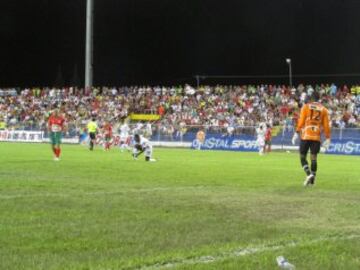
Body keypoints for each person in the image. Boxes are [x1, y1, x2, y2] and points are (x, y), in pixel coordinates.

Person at [292, 92, 331, 186]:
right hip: (316, 136)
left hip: (306, 135)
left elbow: (301, 121)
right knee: (313, 158)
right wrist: (328, 138)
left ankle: (309, 175)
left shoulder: (306, 107)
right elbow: (326, 125)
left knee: (302, 157)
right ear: (319, 98)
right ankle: (312, 182)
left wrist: (296, 133)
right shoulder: (324, 110)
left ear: (311, 98)